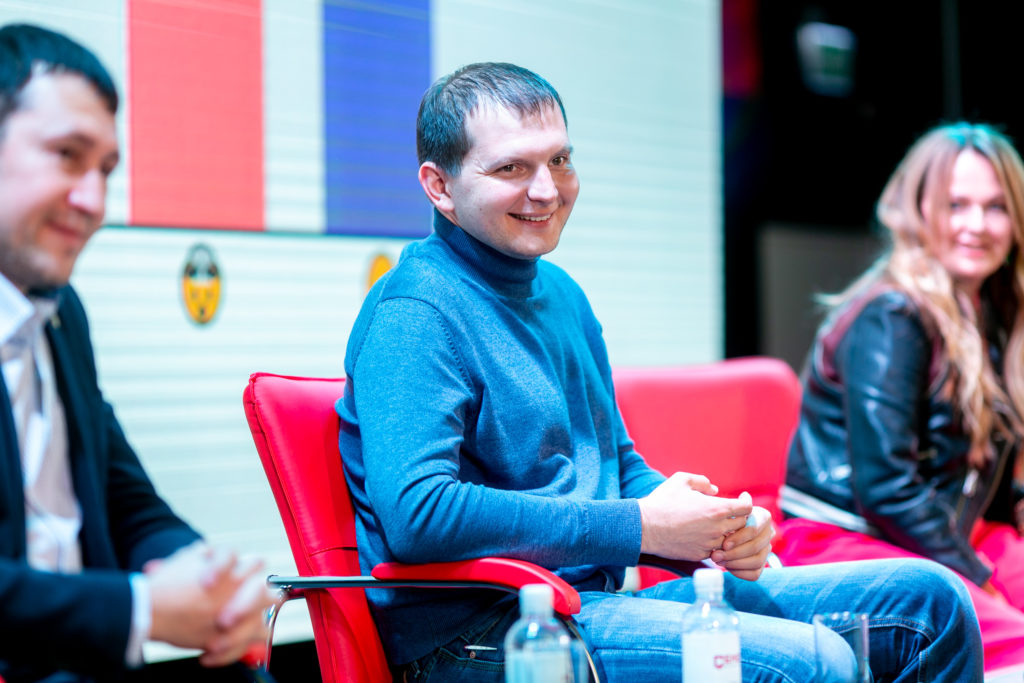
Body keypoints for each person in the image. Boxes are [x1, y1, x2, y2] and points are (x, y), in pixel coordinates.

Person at [337, 62, 983, 682]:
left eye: (560, 160)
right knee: (814, 661)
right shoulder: (415, 312)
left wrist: (713, 528)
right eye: (512, 168)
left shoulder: (560, 296)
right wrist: (642, 525)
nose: (547, 189)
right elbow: (419, 514)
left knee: (932, 601)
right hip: (481, 637)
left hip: (588, 605)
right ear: (439, 186)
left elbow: (615, 468)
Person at [0, 23, 275, 682]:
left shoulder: (61, 315)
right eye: (67, 155)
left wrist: (208, 579)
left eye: (105, 169)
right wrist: (140, 608)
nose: (93, 201)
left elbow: (129, 503)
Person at [779, 122, 1024, 670]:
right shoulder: (893, 315)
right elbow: (887, 490)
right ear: (919, 211)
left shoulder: (995, 313)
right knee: (1015, 641)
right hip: (846, 539)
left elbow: (988, 474)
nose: (976, 225)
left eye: (996, 207)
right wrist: (981, 579)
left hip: (949, 529)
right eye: (956, 205)